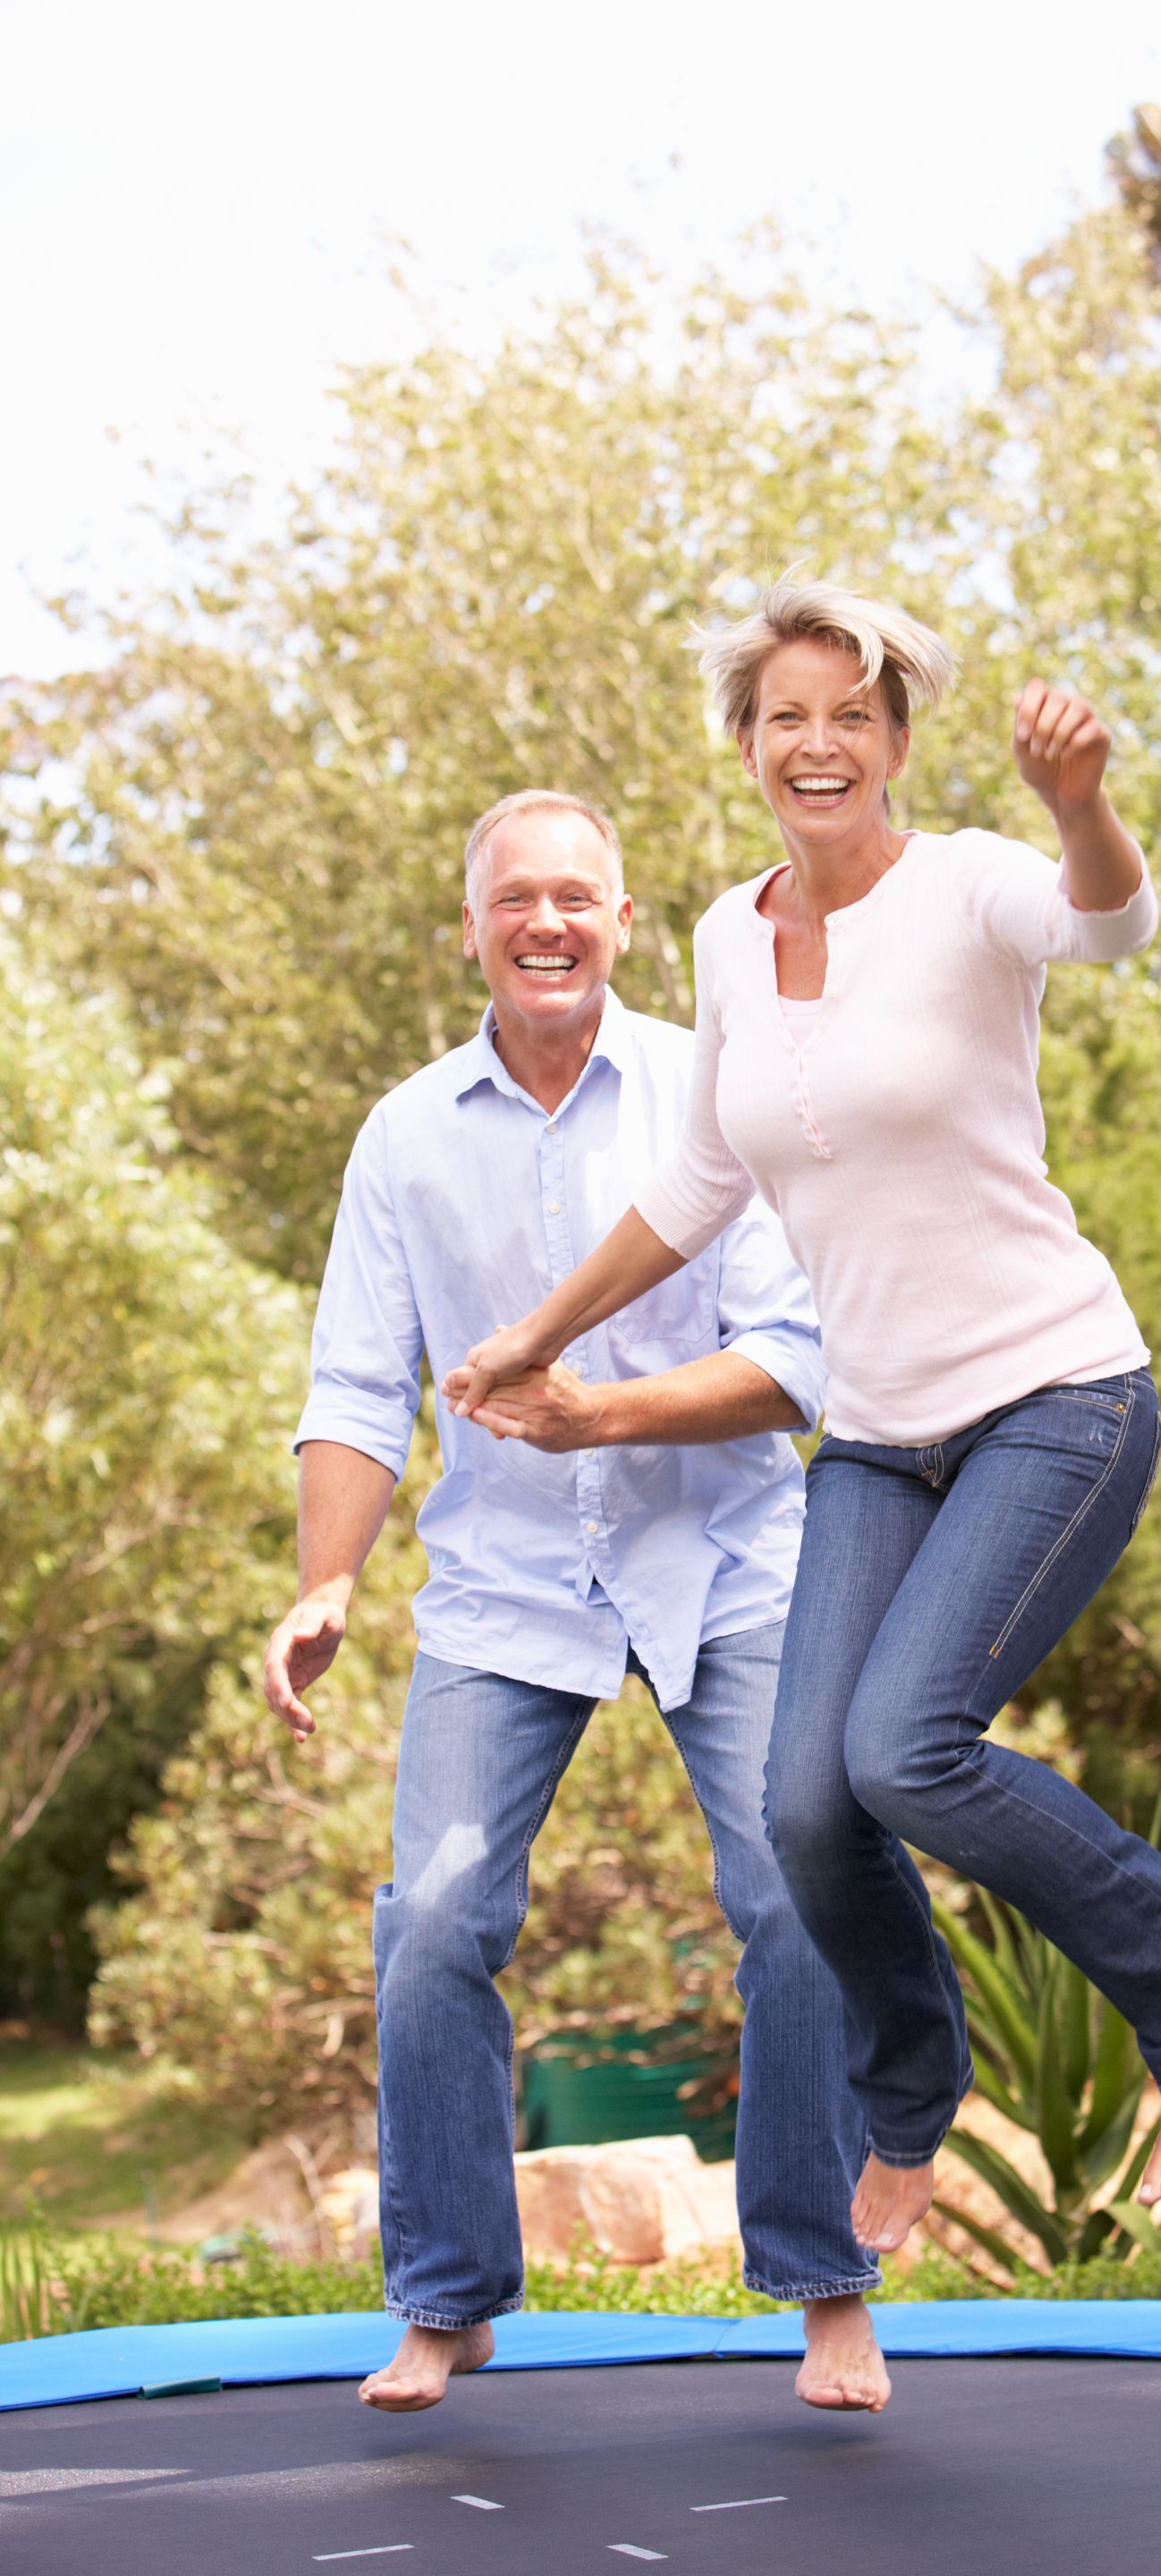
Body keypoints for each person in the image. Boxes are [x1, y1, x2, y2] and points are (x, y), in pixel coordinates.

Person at [447, 580, 1161, 2313]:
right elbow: (697, 1182)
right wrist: (541, 1330)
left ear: (897, 741)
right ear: (747, 747)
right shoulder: (732, 937)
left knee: (910, 1750)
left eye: (851, 714)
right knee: (809, 1801)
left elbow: (1110, 927)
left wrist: (1081, 806)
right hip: (886, 1439)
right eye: (784, 717)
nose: (815, 743)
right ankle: (918, 2095)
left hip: (1057, 1398)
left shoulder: (975, 881)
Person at [264, 787, 894, 2419]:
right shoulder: (405, 1136)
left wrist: (596, 1411)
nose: (545, 922)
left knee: (796, 1894)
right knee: (432, 1930)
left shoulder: (710, 1090)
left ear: (621, 920)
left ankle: (829, 2290)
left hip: (733, 1559)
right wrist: (326, 1579)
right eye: (513, 900)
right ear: (470, 929)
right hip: (507, 1584)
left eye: (575, 897)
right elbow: (353, 1385)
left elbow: (794, 1366)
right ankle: (450, 2299)